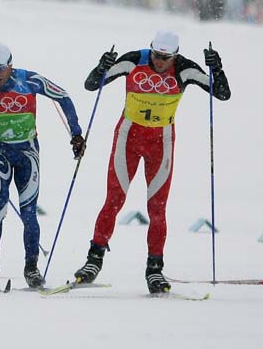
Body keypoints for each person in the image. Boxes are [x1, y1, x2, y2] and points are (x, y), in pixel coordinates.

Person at [73, 31, 230, 293]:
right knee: (114, 200)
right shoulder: (135, 60)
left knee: (157, 208)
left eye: (166, 58)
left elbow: (222, 94)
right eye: (157, 55)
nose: (160, 62)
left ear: (175, 55)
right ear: (151, 50)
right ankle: (93, 260)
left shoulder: (185, 68)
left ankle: (154, 270)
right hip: (128, 137)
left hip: (162, 141)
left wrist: (218, 68)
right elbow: (92, 84)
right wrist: (102, 65)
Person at [0, 43, 83, 290]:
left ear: (10, 66)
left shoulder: (28, 79)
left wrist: (76, 133)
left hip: (27, 153)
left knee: (29, 211)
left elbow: (62, 96)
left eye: (0, 69)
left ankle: (31, 267)